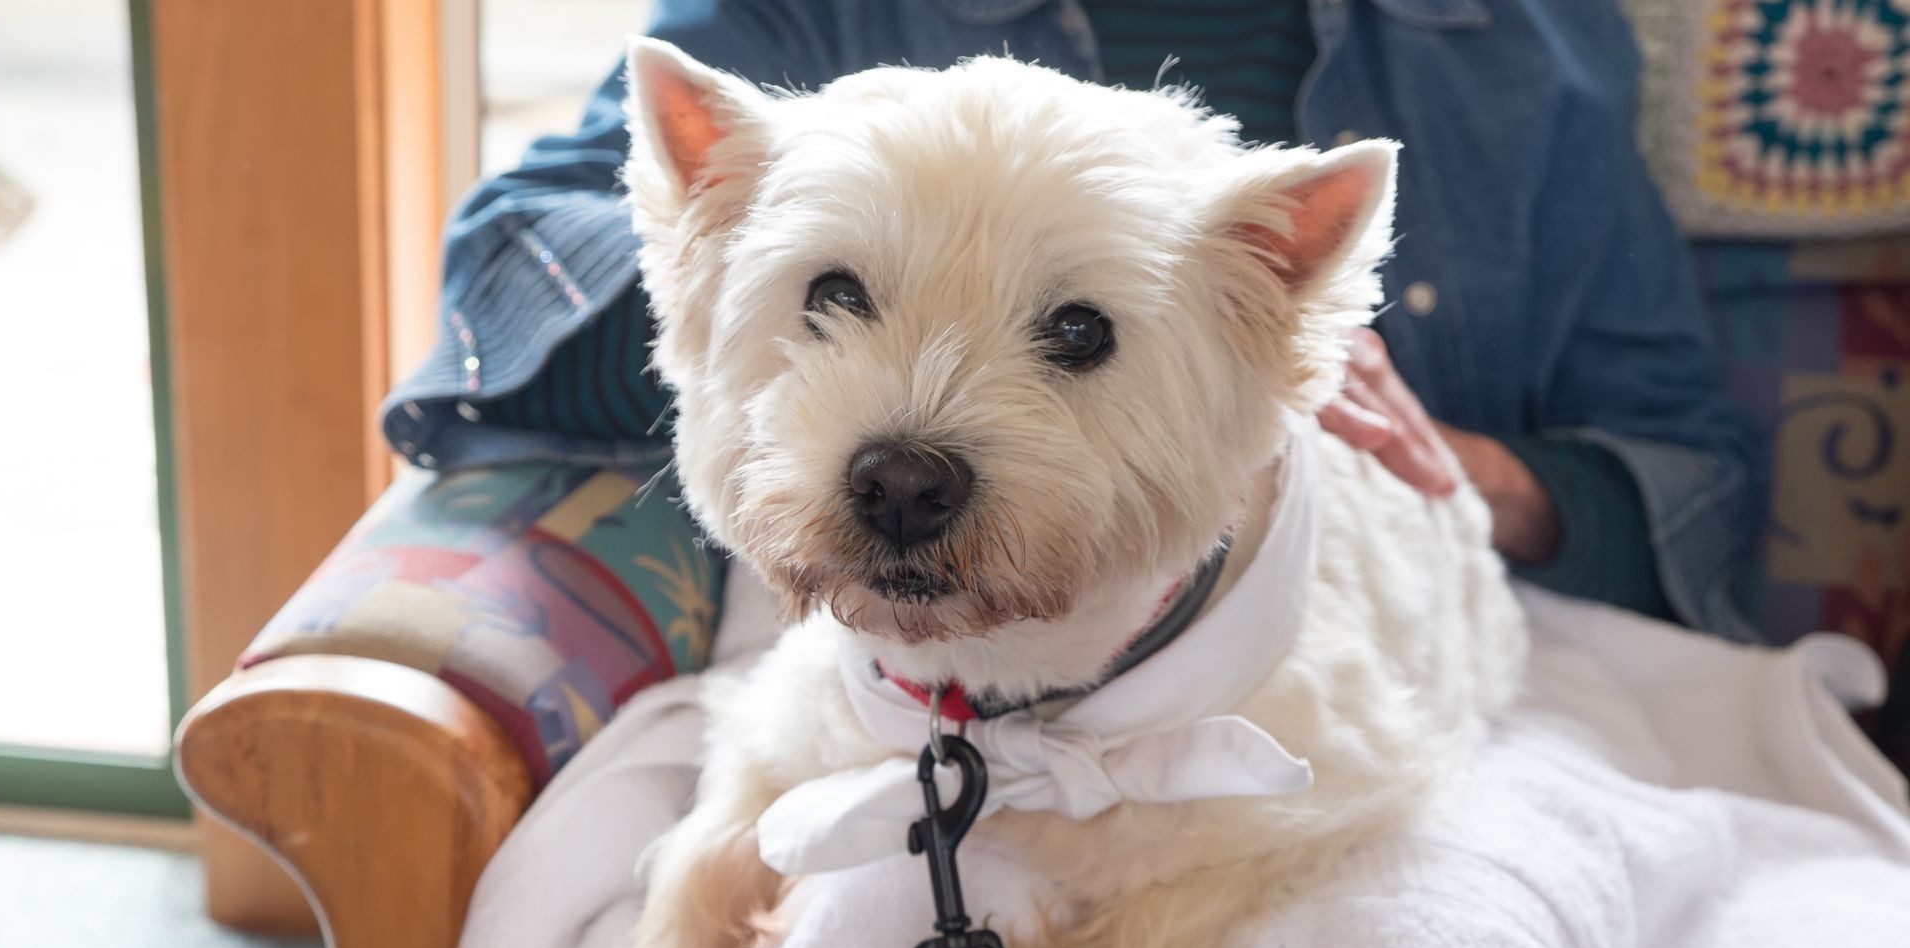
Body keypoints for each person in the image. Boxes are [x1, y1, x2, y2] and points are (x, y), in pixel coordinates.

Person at [383, 0, 1766, 643]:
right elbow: (511, 269)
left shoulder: (1525, 41)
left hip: (1412, 639)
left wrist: (1453, 476)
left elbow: (1694, 475)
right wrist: (793, 242)